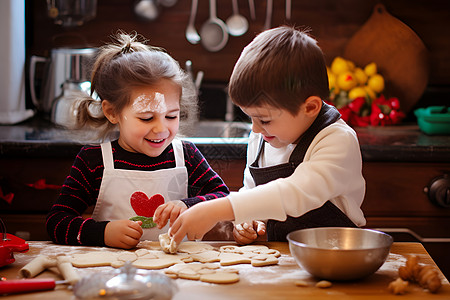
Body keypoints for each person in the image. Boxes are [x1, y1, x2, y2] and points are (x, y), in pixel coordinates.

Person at [156, 26, 366, 245]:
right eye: (250, 118)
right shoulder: (264, 136)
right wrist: (247, 221)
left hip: (337, 256)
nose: (255, 129)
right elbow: (254, 192)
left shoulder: (337, 140)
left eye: (264, 120)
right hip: (287, 260)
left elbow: (295, 193)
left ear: (310, 107)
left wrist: (214, 210)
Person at [46, 31, 229, 249]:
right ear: (112, 112)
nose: (161, 128)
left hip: (177, 272)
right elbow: (56, 222)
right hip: (114, 275)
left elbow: (223, 198)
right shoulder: (94, 161)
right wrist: (102, 233)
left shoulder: (186, 156)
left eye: (171, 116)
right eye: (147, 117)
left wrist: (188, 205)